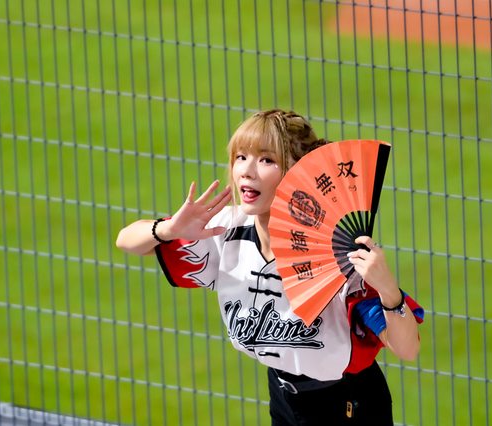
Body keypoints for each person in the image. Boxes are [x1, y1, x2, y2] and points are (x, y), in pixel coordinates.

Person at [116, 109, 424, 425]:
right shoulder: (226, 229)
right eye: (240, 157)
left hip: (348, 405)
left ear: (298, 172)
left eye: (266, 160)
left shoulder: (337, 251)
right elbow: (127, 240)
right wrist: (167, 230)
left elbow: (406, 348)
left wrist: (388, 290)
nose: (246, 171)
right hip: (283, 397)